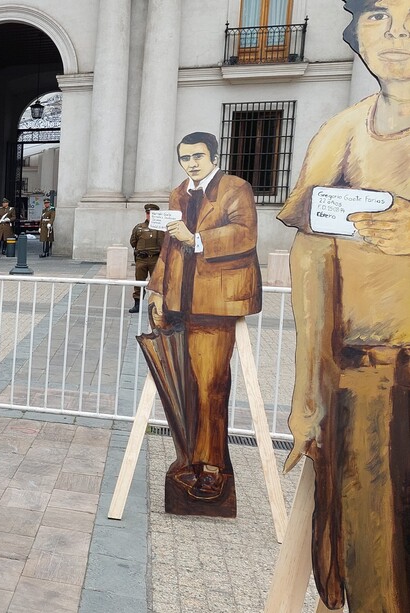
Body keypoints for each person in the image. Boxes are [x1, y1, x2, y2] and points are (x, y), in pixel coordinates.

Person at [276, 1, 410, 609]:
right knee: (368, 552)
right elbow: (309, 263)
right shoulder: (340, 132)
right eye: (381, 14)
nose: (399, 33)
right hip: (363, 376)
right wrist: (307, 394)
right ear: (357, 29)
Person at [146, 131, 261, 511]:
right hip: (182, 301)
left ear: (213, 155)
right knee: (188, 385)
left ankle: (212, 468)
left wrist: (197, 238)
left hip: (217, 302)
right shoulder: (179, 193)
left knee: (212, 384)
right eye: (185, 158)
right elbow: (167, 247)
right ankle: (191, 460)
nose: (191, 163)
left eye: (197, 156)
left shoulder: (235, 188)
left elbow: (245, 235)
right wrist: (158, 291)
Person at [129, 203, 164, 312]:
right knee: (139, 281)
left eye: (152, 213)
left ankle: (158, 305)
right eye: (148, 213)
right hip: (141, 259)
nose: (149, 215)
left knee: (157, 283)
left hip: (155, 259)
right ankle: (137, 304)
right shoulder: (139, 227)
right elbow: (133, 242)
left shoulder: (162, 229)